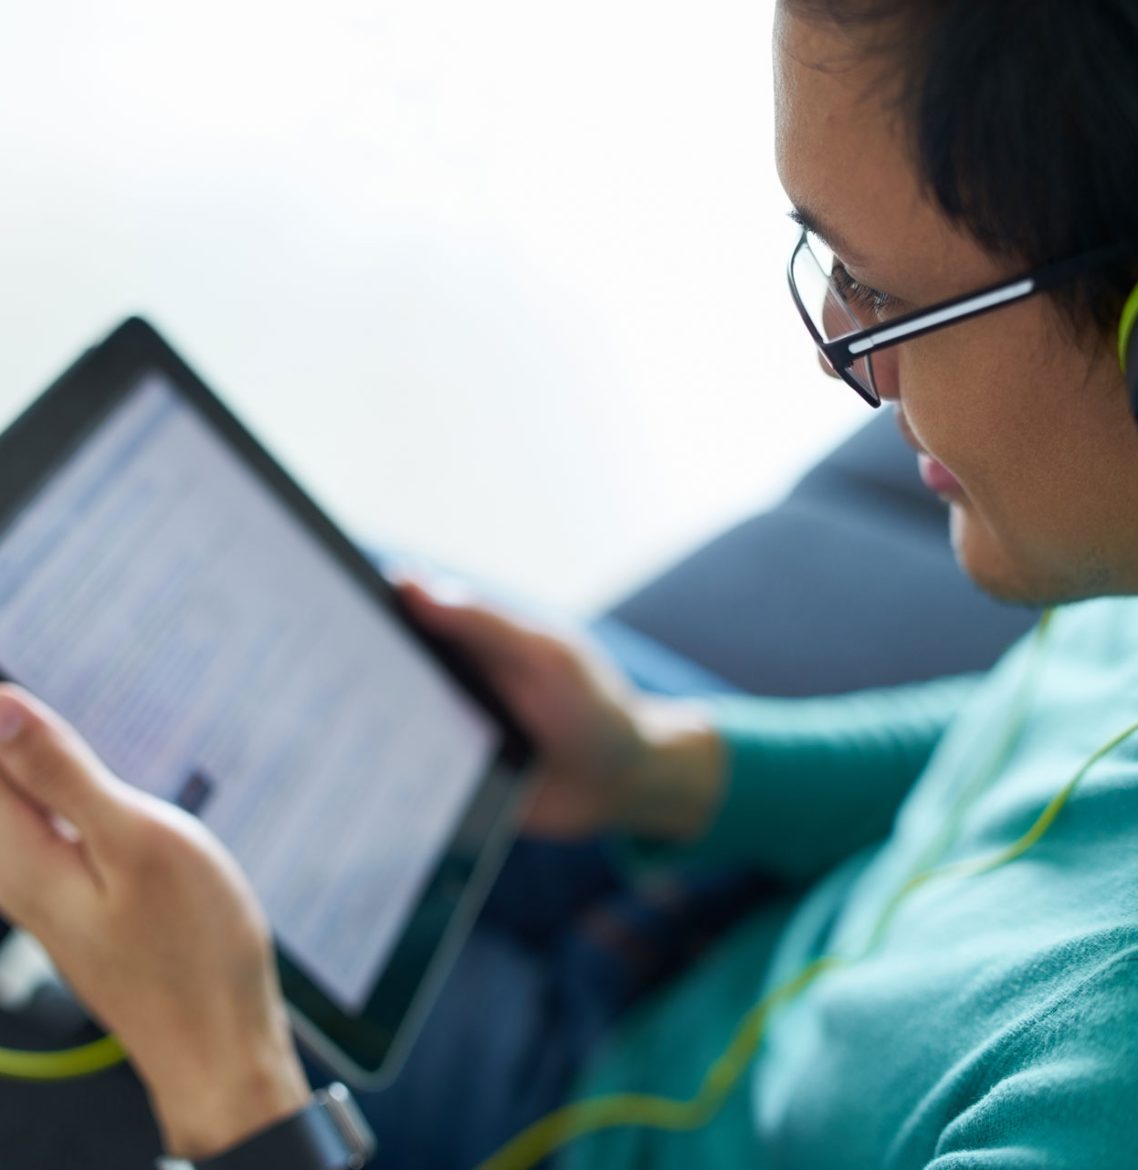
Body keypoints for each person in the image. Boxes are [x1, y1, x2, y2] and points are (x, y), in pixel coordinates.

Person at [2, 1, 1138, 1166]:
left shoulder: (1085, 1118)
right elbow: (1025, 744)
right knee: (265, 605)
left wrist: (225, 1079)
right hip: (765, 923)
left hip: (568, 1115)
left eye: (882, 292)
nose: (841, 347)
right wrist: (659, 769)